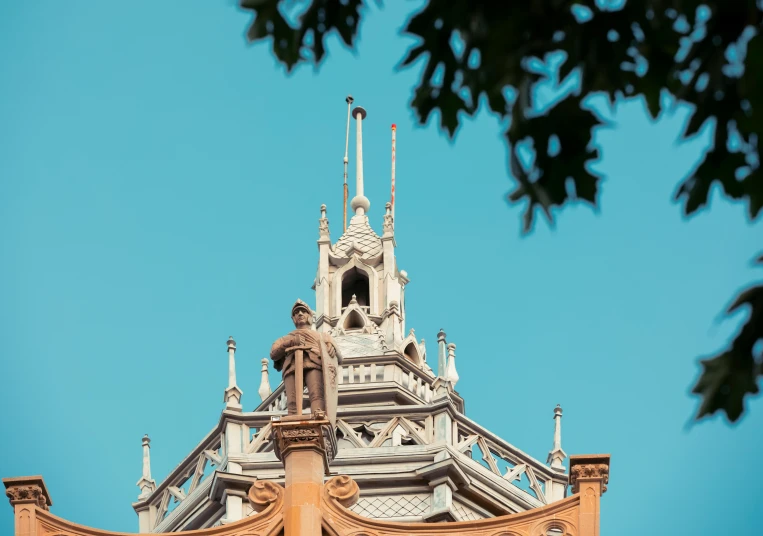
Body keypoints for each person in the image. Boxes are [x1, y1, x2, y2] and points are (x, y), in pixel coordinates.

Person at [270, 299, 341, 416]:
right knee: (292, 401)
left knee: (316, 395)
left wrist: (332, 349)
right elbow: (273, 353)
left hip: (313, 364)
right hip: (292, 367)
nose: (300, 314)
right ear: (293, 319)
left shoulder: (323, 337)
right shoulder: (286, 338)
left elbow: (339, 358)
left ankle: (318, 415)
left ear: (310, 316)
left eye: (303, 311)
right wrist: (290, 343)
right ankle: (292, 418)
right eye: (296, 312)